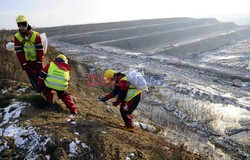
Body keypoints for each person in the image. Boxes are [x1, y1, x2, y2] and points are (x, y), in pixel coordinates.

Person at [14, 15, 44, 89]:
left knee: (41, 78)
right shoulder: (17, 36)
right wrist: (23, 63)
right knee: (32, 79)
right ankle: (37, 93)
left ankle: (45, 94)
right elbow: (19, 52)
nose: (22, 28)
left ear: (26, 24)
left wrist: (39, 62)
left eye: (23, 25)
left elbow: (40, 50)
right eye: (19, 26)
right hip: (27, 62)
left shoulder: (36, 35)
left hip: (37, 61)